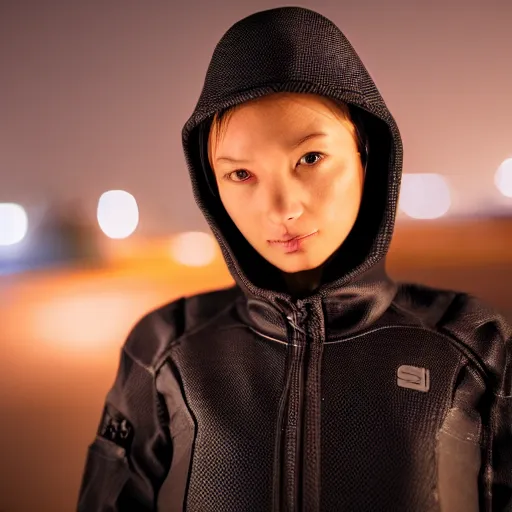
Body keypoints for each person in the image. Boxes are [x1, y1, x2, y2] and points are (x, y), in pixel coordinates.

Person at [77, 6, 512, 511]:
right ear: (210, 185)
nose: (282, 209)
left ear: (366, 152)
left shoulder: (477, 346)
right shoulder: (164, 352)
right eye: (241, 174)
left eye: (309, 158)